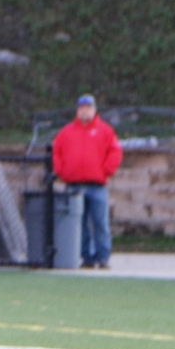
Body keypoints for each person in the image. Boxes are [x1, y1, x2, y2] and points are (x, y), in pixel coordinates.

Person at [51, 93, 123, 270]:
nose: (85, 111)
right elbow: (56, 152)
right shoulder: (66, 132)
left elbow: (115, 152)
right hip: (74, 185)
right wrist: (62, 172)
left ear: (94, 110)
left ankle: (103, 257)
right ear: (77, 111)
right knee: (79, 225)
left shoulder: (105, 131)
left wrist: (106, 171)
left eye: (88, 108)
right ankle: (87, 258)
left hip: (97, 185)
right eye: (82, 108)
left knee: (100, 223)